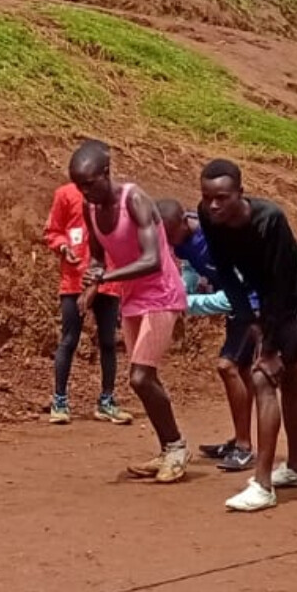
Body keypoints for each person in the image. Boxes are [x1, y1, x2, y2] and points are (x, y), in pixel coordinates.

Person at [71, 141, 189, 482]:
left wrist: (105, 278)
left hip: (161, 293)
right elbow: (97, 256)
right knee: (144, 379)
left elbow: (152, 260)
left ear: (106, 173)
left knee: (140, 377)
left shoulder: (134, 199)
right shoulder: (90, 207)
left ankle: (176, 448)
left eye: (89, 183)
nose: (85, 191)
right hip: (133, 296)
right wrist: (92, 283)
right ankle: (168, 449)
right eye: (79, 185)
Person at [197, 159, 297, 513]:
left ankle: (263, 485)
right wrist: (248, 318)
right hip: (259, 295)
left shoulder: (269, 220)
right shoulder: (208, 215)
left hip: (293, 297)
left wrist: (270, 345)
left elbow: (283, 285)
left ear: (240, 194)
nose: (213, 205)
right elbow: (225, 271)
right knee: (289, 378)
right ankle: (296, 468)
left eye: (222, 197)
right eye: (208, 197)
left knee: (265, 377)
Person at [159, 198, 257, 472]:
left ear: (184, 221)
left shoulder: (217, 236)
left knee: (228, 367)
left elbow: (233, 294)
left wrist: (184, 303)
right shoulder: (180, 239)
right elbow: (190, 268)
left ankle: (244, 448)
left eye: (171, 234)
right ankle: (240, 439)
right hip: (238, 308)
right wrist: (183, 290)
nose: (170, 242)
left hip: (253, 304)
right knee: (243, 371)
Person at [43, 178, 128, 425]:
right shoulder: (65, 194)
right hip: (75, 278)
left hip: (108, 279)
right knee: (69, 339)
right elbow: (53, 231)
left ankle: (106, 401)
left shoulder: (115, 196)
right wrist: (63, 247)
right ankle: (59, 401)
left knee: (108, 341)